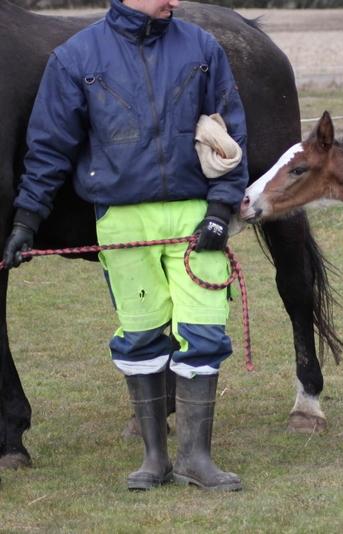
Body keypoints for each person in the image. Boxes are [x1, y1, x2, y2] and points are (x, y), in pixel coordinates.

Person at [2, 0, 248, 491]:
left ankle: (197, 459)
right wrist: (27, 218)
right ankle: (154, 459)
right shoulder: (75, 58)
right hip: (121, 222)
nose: (174, 1)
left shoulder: (203, 48)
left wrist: (221, 209)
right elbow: (49, 147)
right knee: (139, 338)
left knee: (204, 333)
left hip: (191, 216)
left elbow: (231, 130)